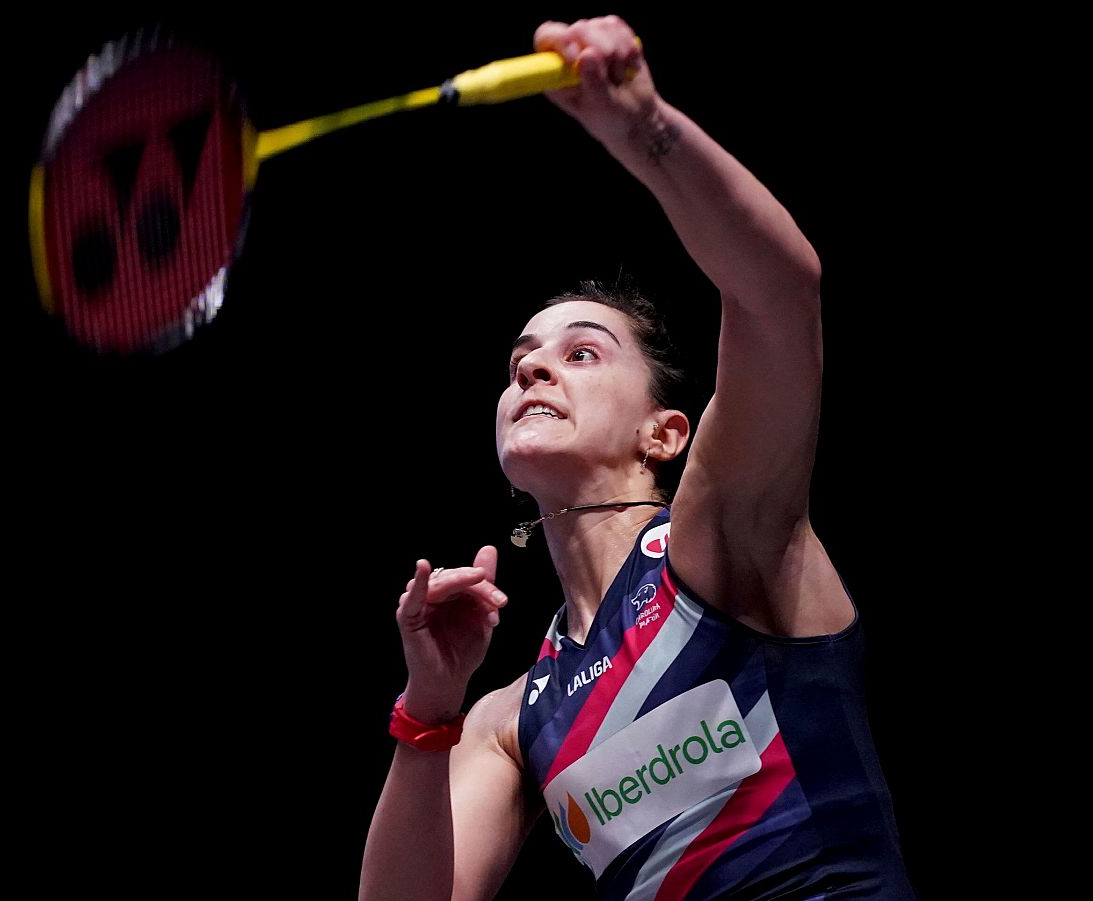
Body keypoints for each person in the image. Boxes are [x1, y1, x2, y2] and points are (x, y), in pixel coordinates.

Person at [359, 15, 915, 901]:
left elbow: (780, 290)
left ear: (665, 433)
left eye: (582, 352)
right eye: (521, 362)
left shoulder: (719, 535)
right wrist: (428, 707)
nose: (534, 365)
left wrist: (642, 128)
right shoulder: (515, 715)